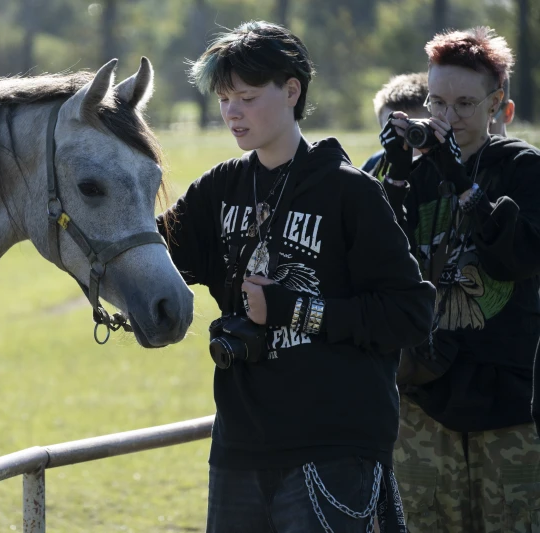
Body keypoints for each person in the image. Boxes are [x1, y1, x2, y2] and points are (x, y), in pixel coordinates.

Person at [157, 20, 435, 533]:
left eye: (246, 96)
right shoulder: (219, 189)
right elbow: (147, 256)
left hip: (332, 452)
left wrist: (296, 311)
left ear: (291, 90)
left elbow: (412, 312)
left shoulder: (350, 193)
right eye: (224, 98)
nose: (232, 112)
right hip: (238, 448)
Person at [379, 26, 540, 532]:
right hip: (424, 404)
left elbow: (512, 258)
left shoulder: (524, 169)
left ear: (498, 107)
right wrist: (397, 177)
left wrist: (463, 182)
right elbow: (379, 265)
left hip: (510, 405)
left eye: (465, 104)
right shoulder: (414, 169)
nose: (447, 119)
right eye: (437, 102)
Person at [361, 73, 430, 175]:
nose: (405, 141)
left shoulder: (445, 165)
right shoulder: (376, 163)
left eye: (414, 133)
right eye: (394, 131)